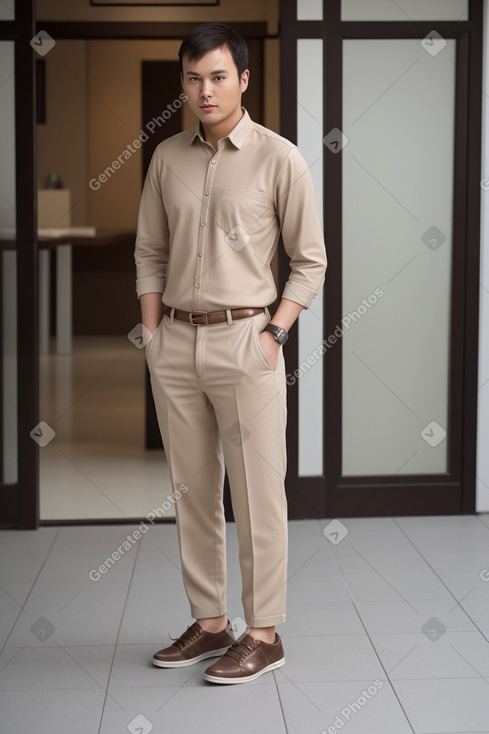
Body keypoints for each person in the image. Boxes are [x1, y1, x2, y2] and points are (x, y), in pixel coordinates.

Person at [134, 21, 327, 685]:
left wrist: (274, 333)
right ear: (182, 83)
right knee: (191, 492)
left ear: (243, 79)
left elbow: (309, 261)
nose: (204, 90)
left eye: (217, 76)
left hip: (248, 342)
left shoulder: (279, 158)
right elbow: (150, 250)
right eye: (192, 78)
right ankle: (210, 623)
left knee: (256, 491)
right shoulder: (166, 158)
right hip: (177, 346)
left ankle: (263, 633)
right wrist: (153, 334)